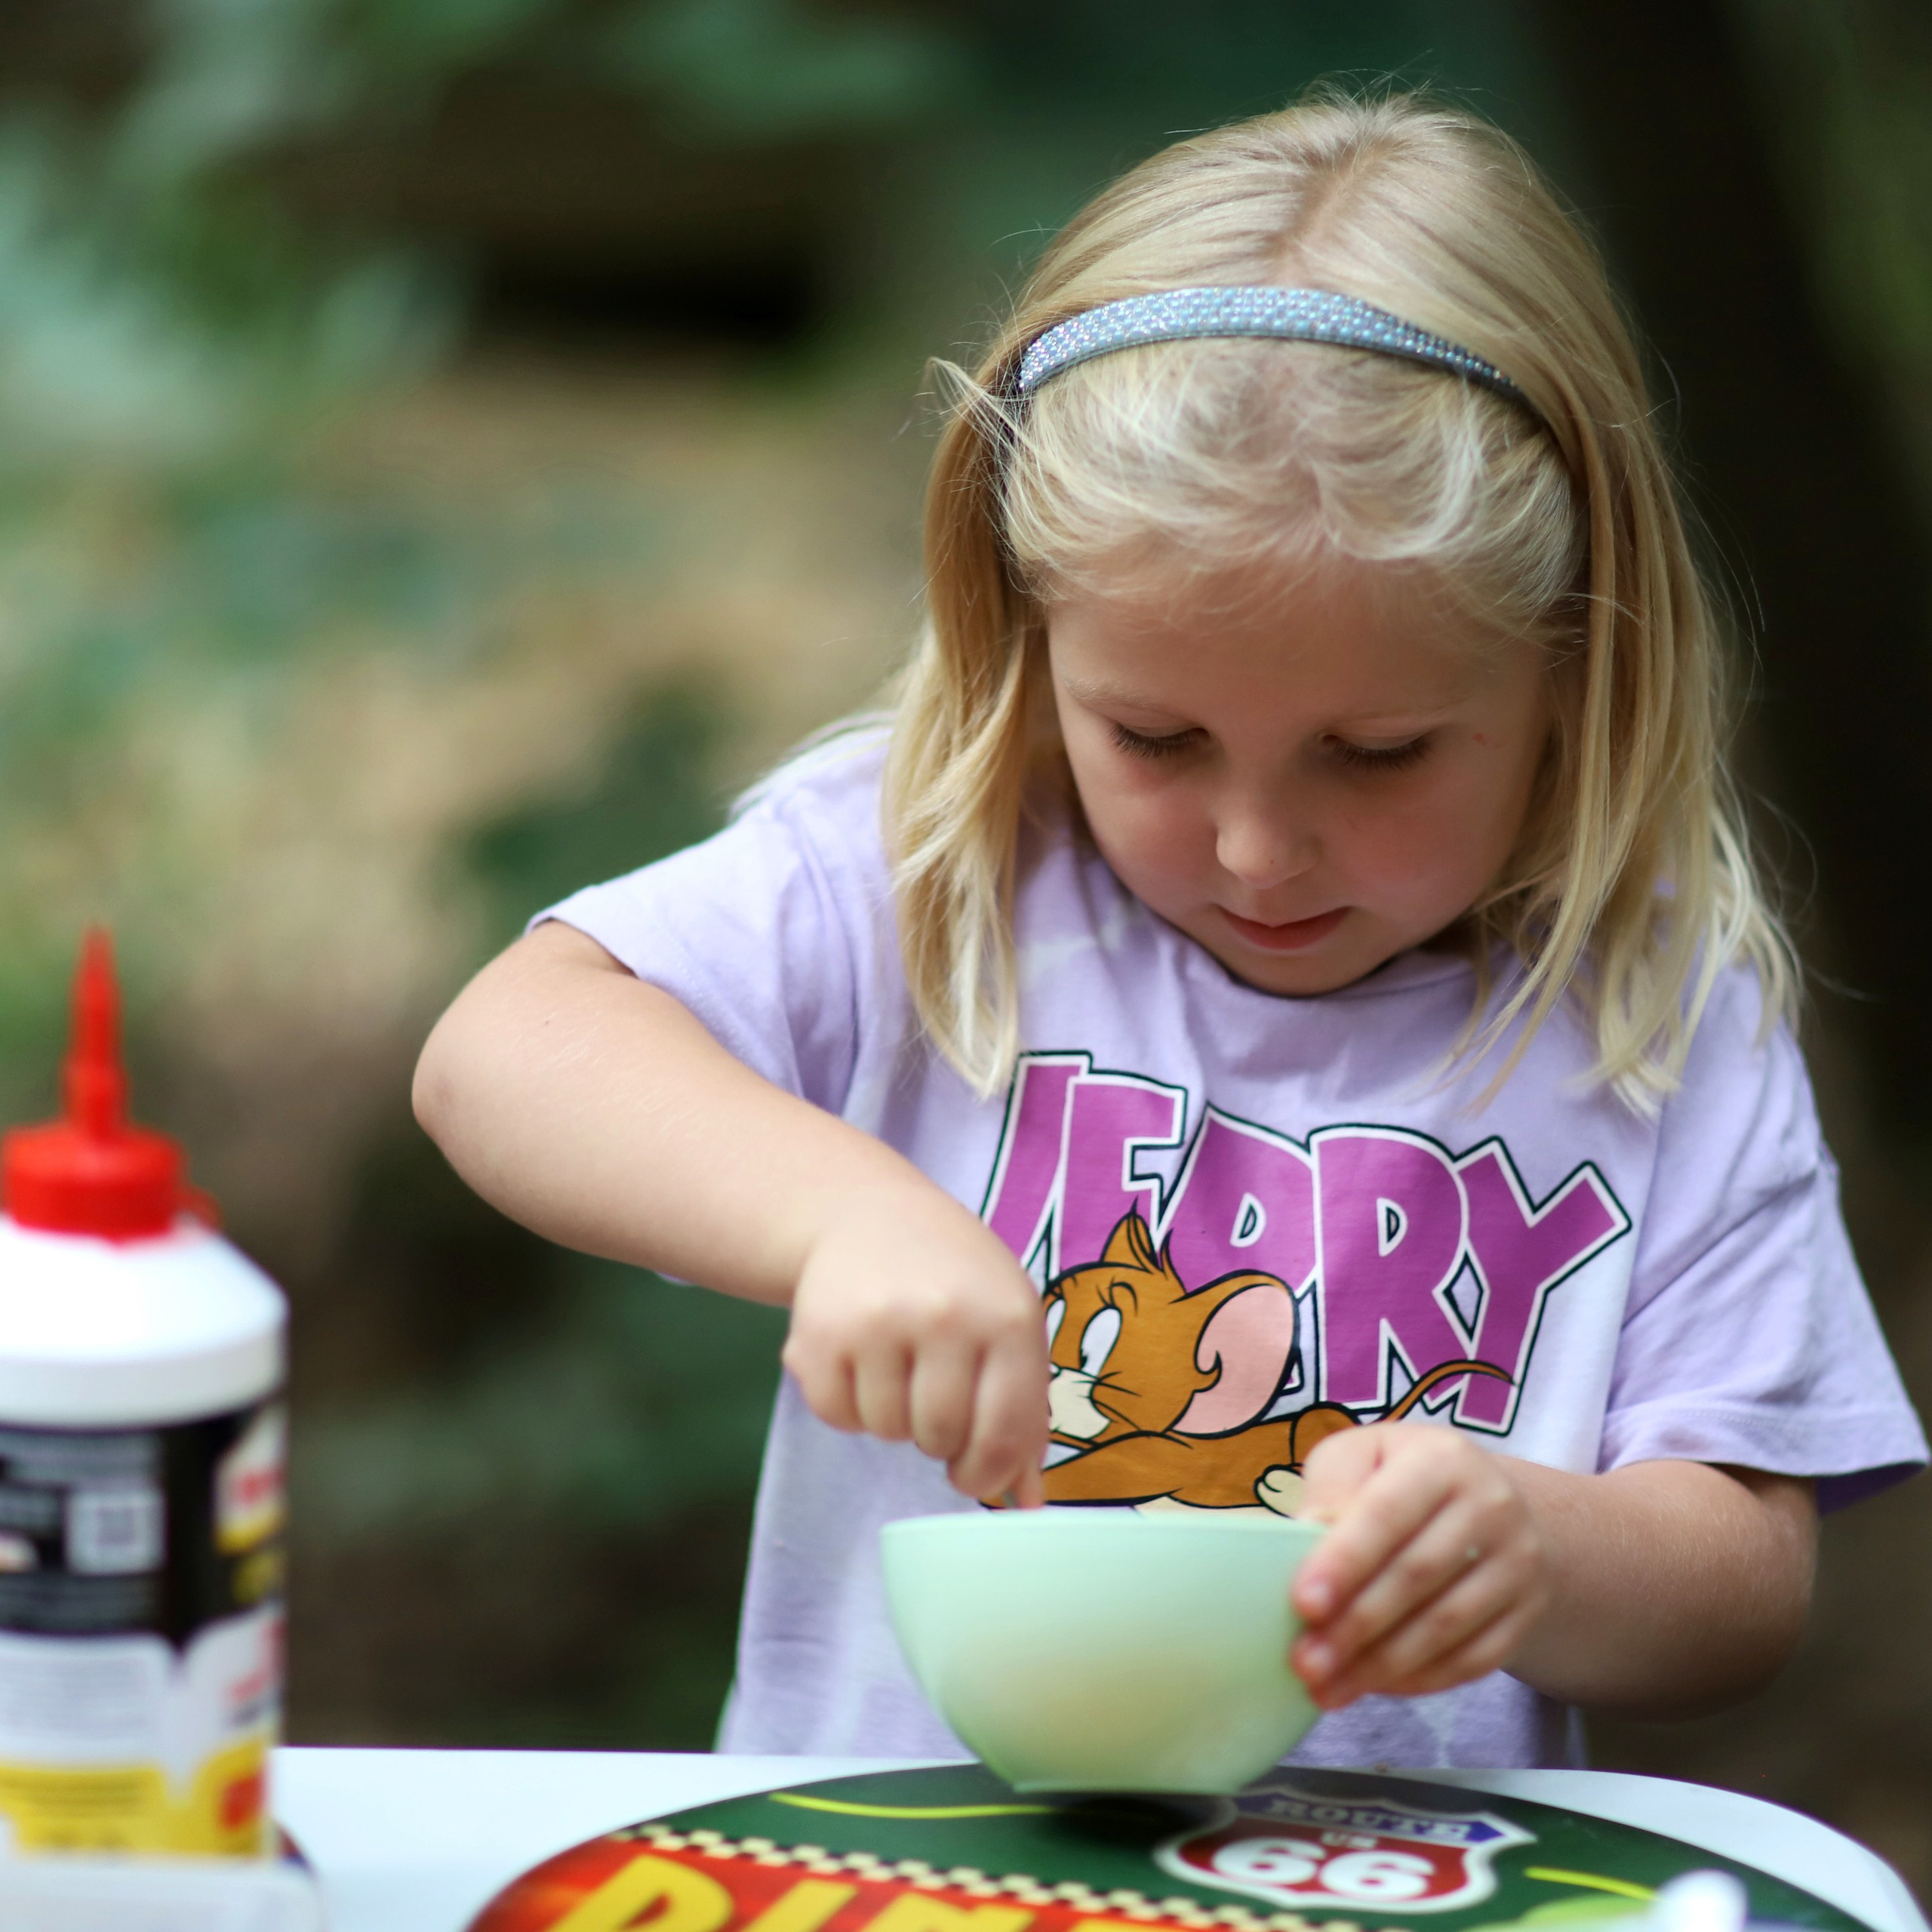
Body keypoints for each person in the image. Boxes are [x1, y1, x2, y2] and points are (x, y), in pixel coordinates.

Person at [413, 93, 1925, 1770]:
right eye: (1153, 737)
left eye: (1375, 754)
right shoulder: (930, 867)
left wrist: (1536, 1544)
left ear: (1571, 662)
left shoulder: (1654, 1012)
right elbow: (506, 1051)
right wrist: (850, 1223)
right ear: (1026, 629)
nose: (1256, 843)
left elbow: (1742, 1574)